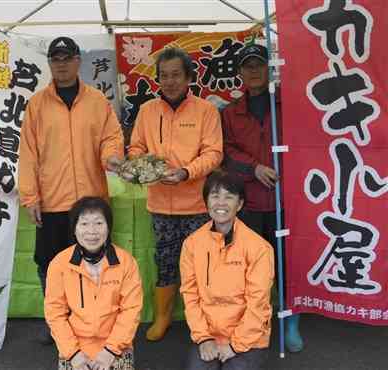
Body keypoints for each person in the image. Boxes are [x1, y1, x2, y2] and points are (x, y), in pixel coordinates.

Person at [19, 37, 124, 344]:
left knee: (95, 263)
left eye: (67, 58)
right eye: (56, 59)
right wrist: (30, 197)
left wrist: (112, 157)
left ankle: (93, 320)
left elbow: (111, 138)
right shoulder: (37, 104)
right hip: (52, 201)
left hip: (91, 202)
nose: (61, 64)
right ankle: (57, 321)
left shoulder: (97, 101)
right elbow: (28, 154)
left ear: (79, 60)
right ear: (50, 64)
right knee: (50, 265)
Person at [128, 47, 223, 341]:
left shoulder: (205, 110)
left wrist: (186, 172)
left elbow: (214, 153)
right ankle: (163, 317)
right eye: (164, 76)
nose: (169, 82)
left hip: (196, 205)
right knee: (166, 262)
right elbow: (135, 148)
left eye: (176, 75)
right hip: (160, 205)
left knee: (204, 265)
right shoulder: (147, 111)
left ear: (189, 78)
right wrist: (144, 167)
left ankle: (207, 321)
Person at [221, 43, 303, 352]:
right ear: (240, 72)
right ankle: (254, 322)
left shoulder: (289, 104)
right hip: (249, 203)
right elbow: (226, 151)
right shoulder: (230, 113)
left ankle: (291, 322)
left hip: (287, 203)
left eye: (259, 64)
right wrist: (254, 168)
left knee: (288, 267)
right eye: (247, 66)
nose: (253, 71)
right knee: (250, 267)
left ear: (269, 68)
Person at [180, 170, 274, 370]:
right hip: (209, 333)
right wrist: (203, 337)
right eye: (215, 196)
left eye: (228, 197)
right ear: (206, 202)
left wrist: (235, 345)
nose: (220, 203)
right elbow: (190, 295)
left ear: (239, 204)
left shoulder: (259, 248)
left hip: (249, 337)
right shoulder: (192, 244)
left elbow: (258, 304)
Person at [45, 196, 143, 370]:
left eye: (99, 223)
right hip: (75, 346)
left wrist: (110, 351)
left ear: (108, 228)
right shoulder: (59, 264)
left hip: (115, 345)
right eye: (84, 224)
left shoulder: (126, 262)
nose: (92, 231)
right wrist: (73, 355)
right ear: (74, 229)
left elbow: (131, 311)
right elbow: (55, 313)